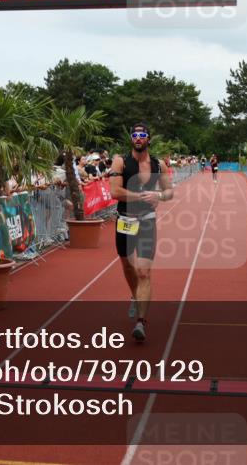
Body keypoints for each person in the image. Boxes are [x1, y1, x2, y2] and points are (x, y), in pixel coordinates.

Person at [108, 123, 174, 343]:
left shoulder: (159, 165)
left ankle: (141, 322)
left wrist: (159, 196)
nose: (138, 138)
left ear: (148, 139)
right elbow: (114, 192)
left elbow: (169, 192)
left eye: (142, 135)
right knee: (127, 265)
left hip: (147, 221)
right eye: (134, 135)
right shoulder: (120, 162)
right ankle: (136, 296)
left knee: (144, 271)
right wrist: (142, 196)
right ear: (131, 139)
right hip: (125, 219)